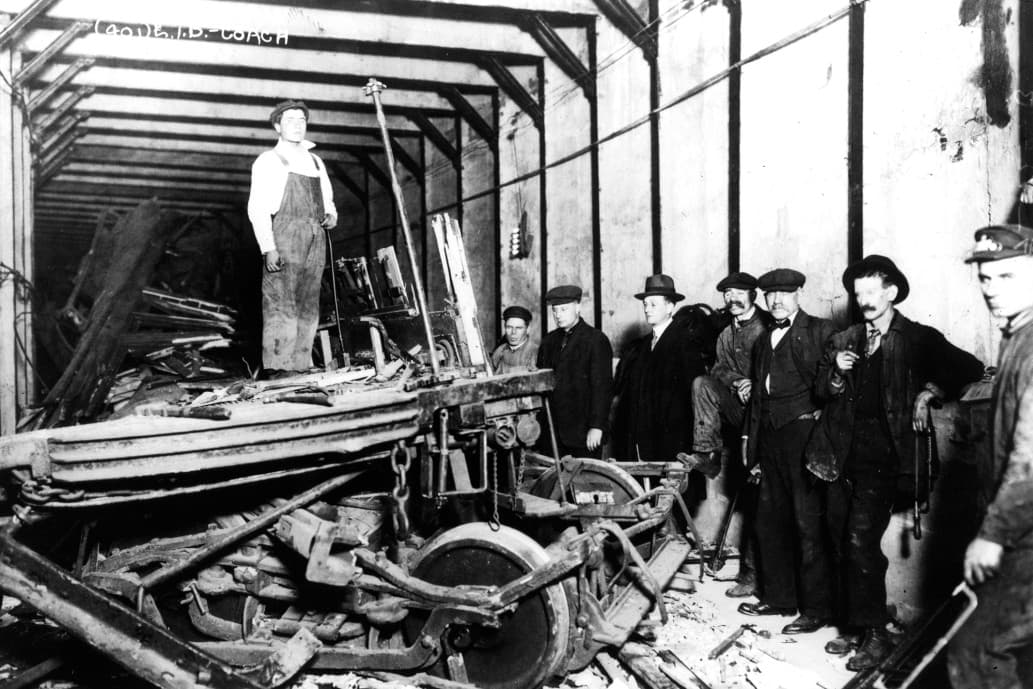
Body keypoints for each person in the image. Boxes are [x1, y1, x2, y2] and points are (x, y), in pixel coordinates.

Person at [812, 255, 983, 671]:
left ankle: (875, 635)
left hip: (885, 459)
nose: (864, 301)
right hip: (840, 455)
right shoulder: (845, 338)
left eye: (872, 292)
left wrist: (929, 391)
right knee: (838, 538)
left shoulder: (916, 337)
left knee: (860, 541)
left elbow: (971, 367)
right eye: (859, 294)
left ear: (891, 293)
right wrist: (835, 372)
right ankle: (856, 623)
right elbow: (820, 391)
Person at [948, 225, 1033, 689]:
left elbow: (1030, 457)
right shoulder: (1018, 335)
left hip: (1024, 535)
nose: (991, 290)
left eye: (1007, 276)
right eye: (985, 278)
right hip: (1020, 527)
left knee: (976, 654)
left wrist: (993, 535)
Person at [737, 268, 836, 635]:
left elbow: (835, 385)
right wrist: (752, 448)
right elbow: (758, 400)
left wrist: (822, 424)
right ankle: (779, 598)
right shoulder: (764, 341)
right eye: (771, 294)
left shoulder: (821, 330)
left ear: (799, 294)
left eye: (785, 293)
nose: (777, 300)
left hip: (804, 436)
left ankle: (817, 609)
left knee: (808, 523)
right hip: (770, 438)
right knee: (769, 520)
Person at [686, 271, 771, 598]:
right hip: (740, 413)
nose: (731, 299)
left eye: (738, 292)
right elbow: (719, 368)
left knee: (761, 501)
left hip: (768, 419)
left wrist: (754, 383)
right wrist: (738, 382)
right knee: (702, 383)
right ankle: (708, 453)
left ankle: (755, 575)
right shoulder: (725, 333)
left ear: (753, 295)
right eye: (727, 293)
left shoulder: (768, 328)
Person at [247, 99, 337, 373]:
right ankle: (278, 368)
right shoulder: (268, 160)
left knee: (309, 301)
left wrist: (331, 216)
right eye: (289, 121)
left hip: (316, 235)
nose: (297, 126)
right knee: (280, 301)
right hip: (286, 234)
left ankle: (301, 366)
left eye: (302, 120)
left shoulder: (316, 161)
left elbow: (329, 201)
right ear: (277, 126)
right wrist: (268, 247)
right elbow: (258, 208)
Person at [612, 274, 710, 463]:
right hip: (644, 440)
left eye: (653, 304)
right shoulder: (642, 346)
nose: (647, 309)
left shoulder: (685, 343)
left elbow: (693, 398)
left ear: (670, 306)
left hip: (673, 441)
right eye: (645, 304)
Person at [537, 285, 613, 458]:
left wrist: (597, 426)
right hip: (552, 433)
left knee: (585, 475)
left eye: (564, 309)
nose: (558, 315)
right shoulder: (548, 342)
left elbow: (602, 388)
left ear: (578, 307)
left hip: (583, 434)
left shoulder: (596, 340)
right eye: (555, 310)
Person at [491, 305, 537, 374]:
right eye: (509, 327)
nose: (513, 332)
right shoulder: (500, 350)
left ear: (528, 329)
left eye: (519, 328)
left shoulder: (535, 352)